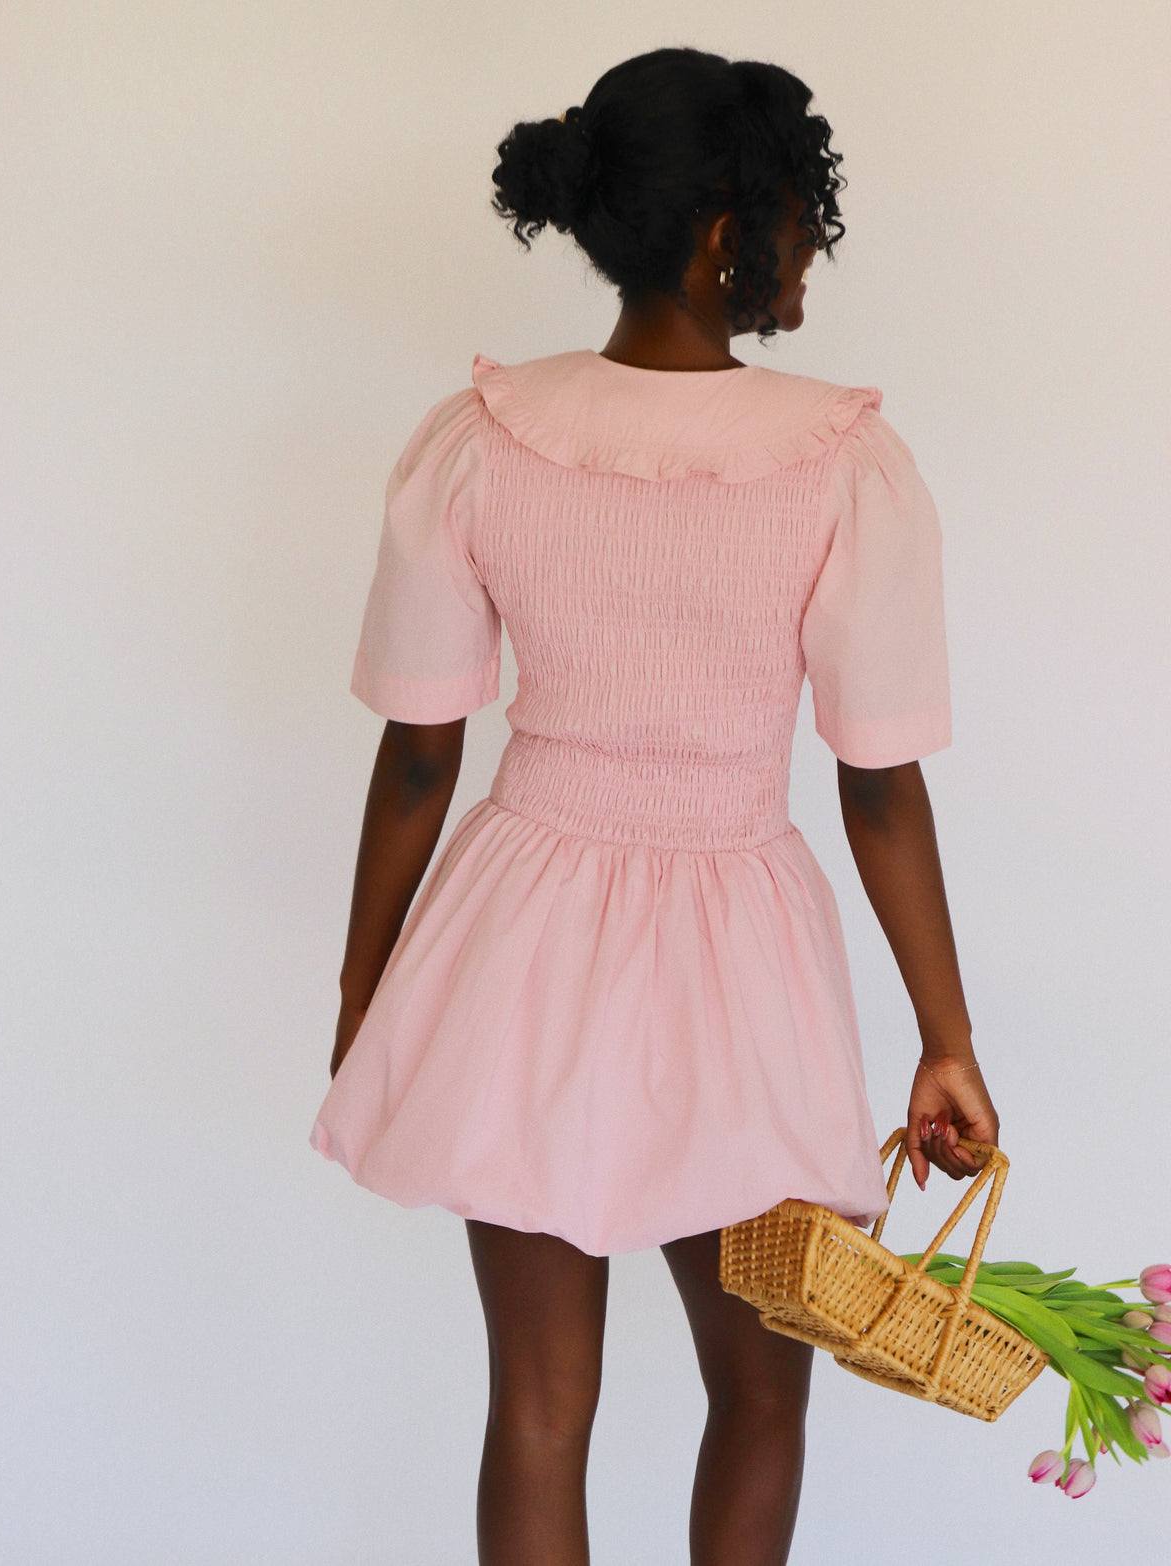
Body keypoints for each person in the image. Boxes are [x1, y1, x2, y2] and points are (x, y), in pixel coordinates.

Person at [309, 44, 1000, 1566]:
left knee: (540, 1408)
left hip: (518, 939)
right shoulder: (839, 463)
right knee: (762, 1393)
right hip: (738, 953)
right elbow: (876, 779)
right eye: (802, 214)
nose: (813, 247)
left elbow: (423, 754)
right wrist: (945, 1035)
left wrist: (370, 982)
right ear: (720, 235)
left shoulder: (483, 438)